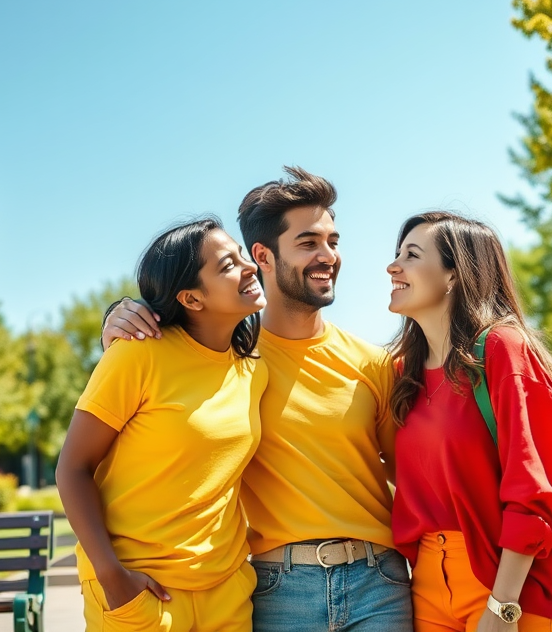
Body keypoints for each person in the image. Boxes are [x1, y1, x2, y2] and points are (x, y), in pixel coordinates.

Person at [103, 167, 413, 632]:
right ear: (263, 256)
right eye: (308, 242)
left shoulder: (373, 364)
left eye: (333, 240)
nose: (328, 255)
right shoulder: (227, 363)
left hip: (379, 585)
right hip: (277, 590)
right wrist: (118, 317)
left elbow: (413, 478)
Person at [56, 217, 269, 632]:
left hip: (225, 592)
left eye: (242, 256)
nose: (249, 267)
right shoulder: (137, 355)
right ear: (191, 298)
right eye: (228, 265)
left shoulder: (252, 370)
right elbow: (72, 468)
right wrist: (112, 577)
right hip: (141, 591)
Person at [386, 211, 552, 632]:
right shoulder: (401, 372)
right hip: (426, 582)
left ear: (453, 276)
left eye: (411, 254)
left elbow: (536, 490)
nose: (393, 266)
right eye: (397, 254)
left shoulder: (502, 347)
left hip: (506, 580)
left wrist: (502, 606)